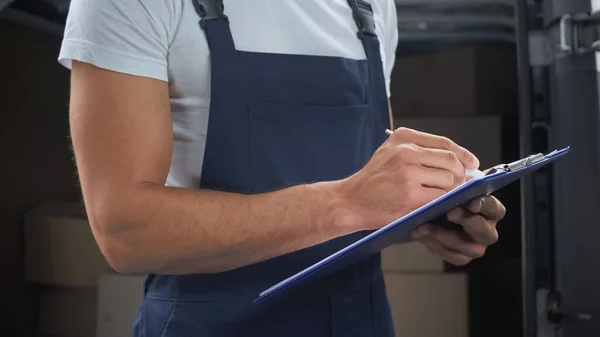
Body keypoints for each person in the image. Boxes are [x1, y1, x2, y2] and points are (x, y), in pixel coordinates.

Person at [58, 0, 506, 336]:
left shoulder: (368, 7)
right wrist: (347, 203)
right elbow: (125, 231)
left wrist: (425, 216)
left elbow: (369, 189)